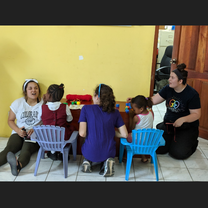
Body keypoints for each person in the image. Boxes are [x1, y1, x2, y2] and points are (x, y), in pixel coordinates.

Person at [151, 63, 201, 159]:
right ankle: (172, 140)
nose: (169, 80)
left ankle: (193, 142)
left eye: (172, 78)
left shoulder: (192, 94)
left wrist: (183, 119)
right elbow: (153, 100)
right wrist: (138, 101)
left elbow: (196, 114)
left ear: (180, 81)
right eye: (170, 77)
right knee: (158, 149)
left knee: (178, 154)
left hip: (186, 127)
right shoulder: (168, 89)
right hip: (170, 125)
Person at [78, 84, 128, 177]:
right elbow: (125, 134)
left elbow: (82, 133)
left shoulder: (86, 108)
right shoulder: (115, 112)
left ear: (97, 97)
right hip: (108, 152)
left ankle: (87, 161)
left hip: (90, 151)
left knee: (86, 141)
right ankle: (107, 162)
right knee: (106, 147)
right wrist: (112, 132)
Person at [0, 79, 43, 176]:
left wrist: (35, 128)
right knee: (9, 149)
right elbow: (10, 120)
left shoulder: (43, 104)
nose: (34, 90)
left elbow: (46, 120)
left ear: (39, 90)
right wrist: (18, 130)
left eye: (36, 88)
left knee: (26, 150)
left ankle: (18, 165)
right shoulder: (17, 103)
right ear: (25, 91)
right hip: (18, 132)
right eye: (30, 88)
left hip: (35, 134)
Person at [40, 83, 74, 160]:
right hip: (62, 137)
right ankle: (62, 152)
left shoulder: (42, 108)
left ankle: (52, 152)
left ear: (48, 95)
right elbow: (70, 119)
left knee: (51, 134)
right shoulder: (65, 107)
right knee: (69, 128)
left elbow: (39, 119)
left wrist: (44, 103)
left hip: (47, 138)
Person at [127, 95, 154, 163]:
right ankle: (143, 157)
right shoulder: (151, 113)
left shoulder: (136, 117)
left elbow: (131, 128)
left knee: (127, 136)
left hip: (137, 141)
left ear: (141, 109)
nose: (133, 110)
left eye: (134, 109)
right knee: (141, 137)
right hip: (148, 140)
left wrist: (130, 117)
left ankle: (125, 155)